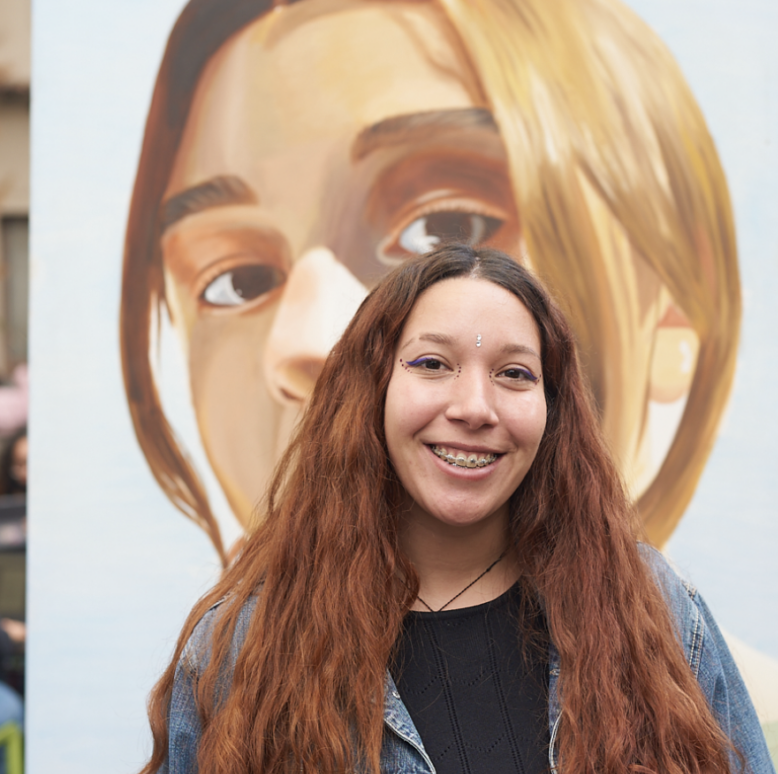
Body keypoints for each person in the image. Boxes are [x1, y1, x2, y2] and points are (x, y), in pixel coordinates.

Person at [128, 246, 778, 774]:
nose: (475, 406)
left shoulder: (656, 611)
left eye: (514, 374)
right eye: (433, 363)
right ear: (370, 392)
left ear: (553, 412)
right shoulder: (247, 644)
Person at [122, 0, 739, 565]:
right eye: (239, 279)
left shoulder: (674, 649)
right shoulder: (224, 661)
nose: (307, 342)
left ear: (675, 303)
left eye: (445, 225)